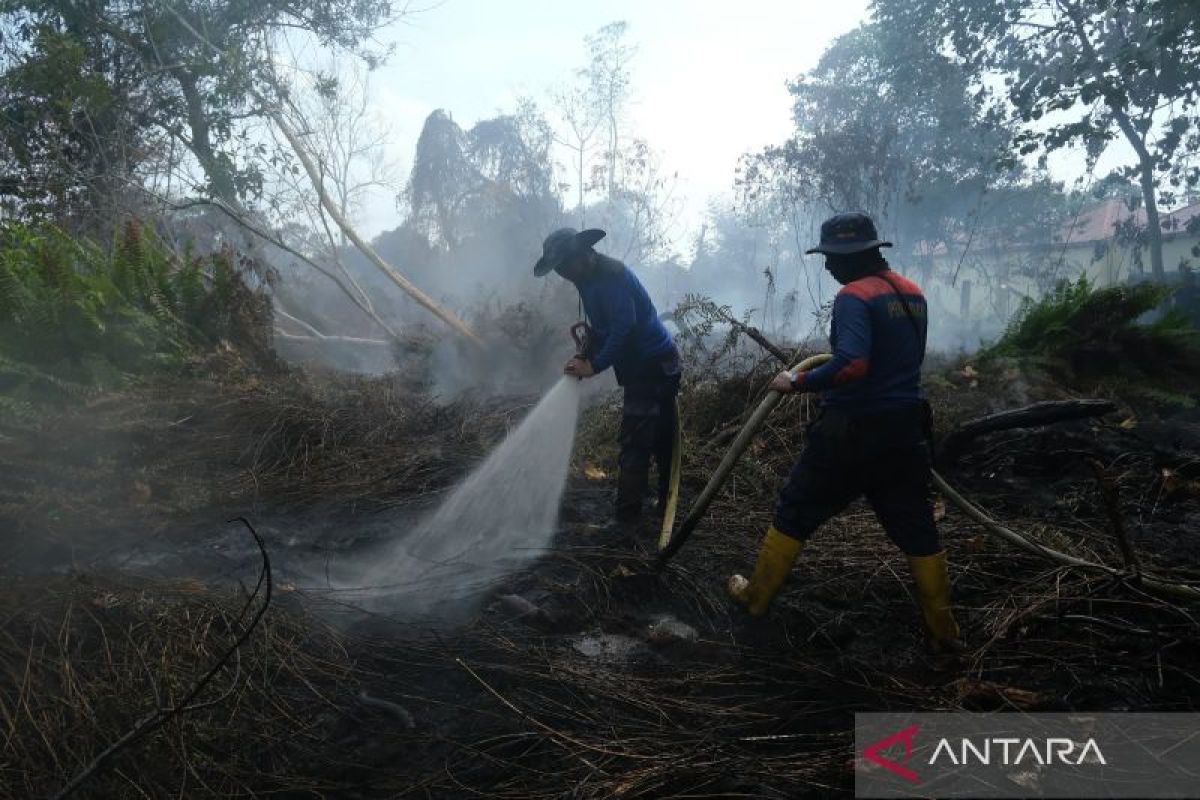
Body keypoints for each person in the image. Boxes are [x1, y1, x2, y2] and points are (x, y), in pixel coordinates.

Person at [726, 212, 962, 654]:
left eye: (833, 258)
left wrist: (796, 382)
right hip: (905, 431)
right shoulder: (913, 293)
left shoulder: (854, 297)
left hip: (850, 432)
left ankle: (755, 600)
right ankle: (943, 632)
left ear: (854, 257)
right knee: (916, 527)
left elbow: (853, 363)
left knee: (796, 509)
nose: (829, 266)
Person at [534, 227, 681, 534]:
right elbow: (602, 326)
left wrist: (596, 364)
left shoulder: (612, 276)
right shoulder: (585, 278)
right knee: (658, 437)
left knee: (637, 440)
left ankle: (626, 520)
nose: (562, 273)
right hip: (649, 364)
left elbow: (623, 329)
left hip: (653, 364)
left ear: (581, 255)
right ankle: (664, 500)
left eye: (564, 265)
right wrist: (585, 353)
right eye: (557, 268)